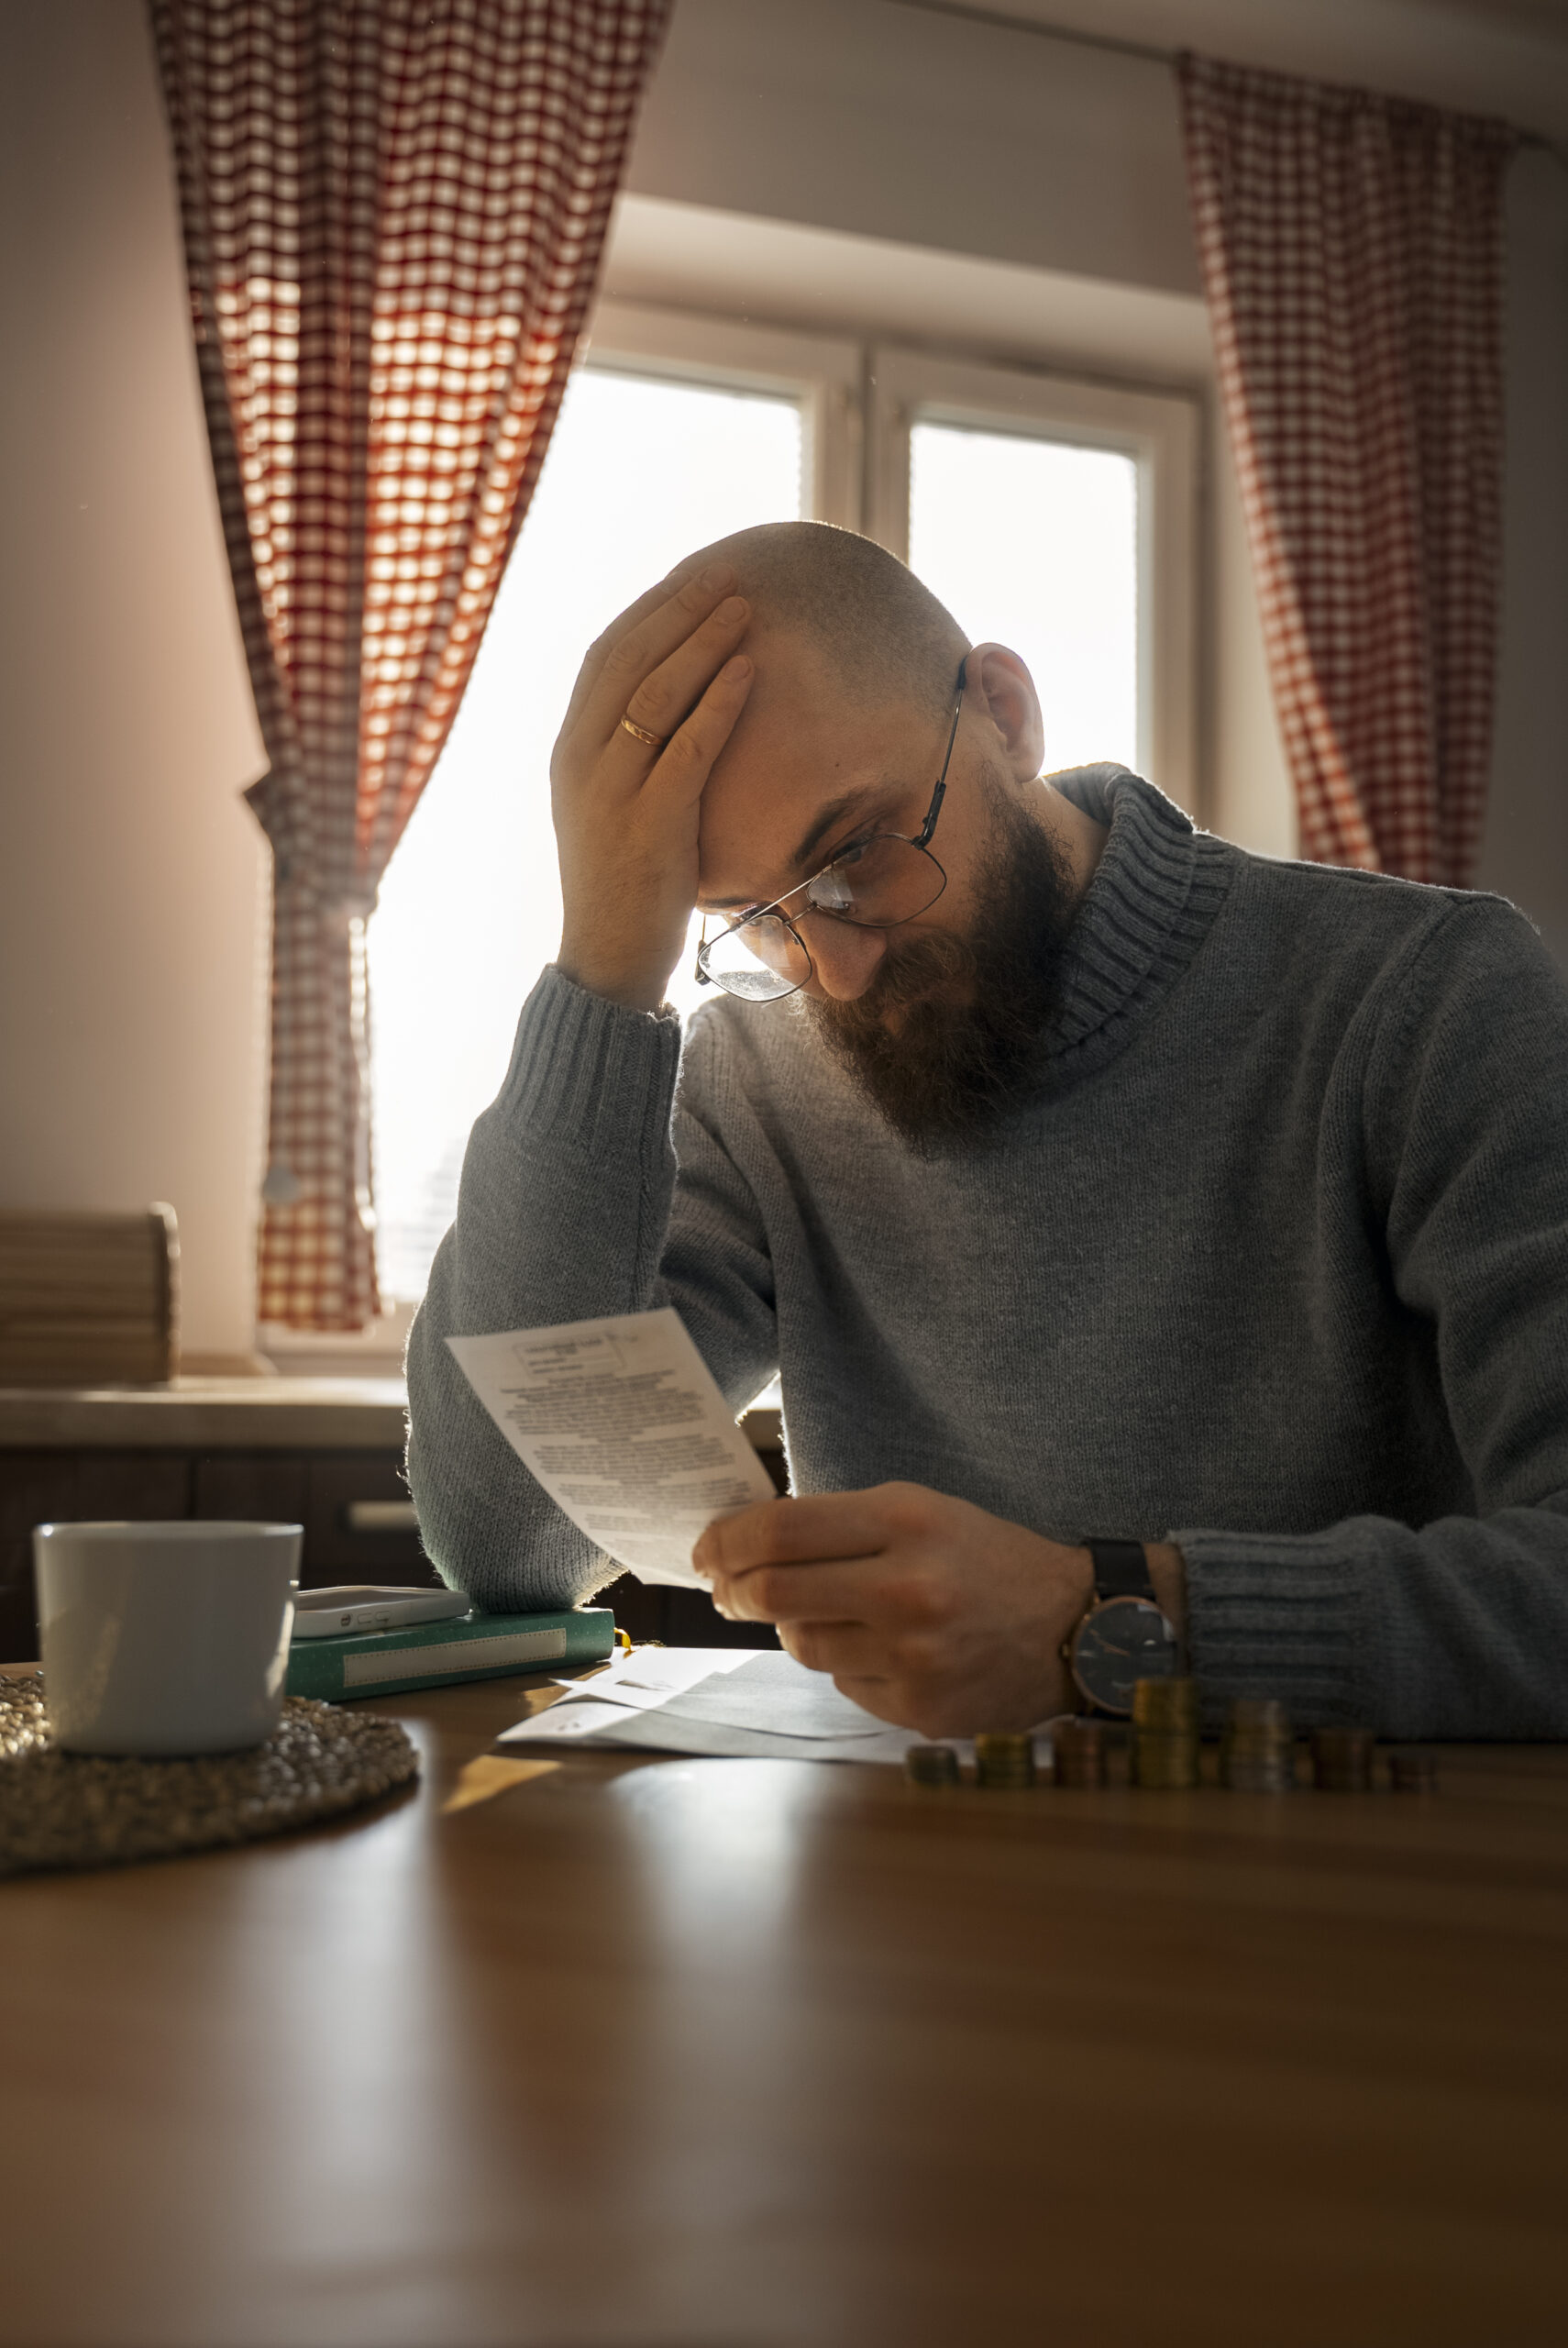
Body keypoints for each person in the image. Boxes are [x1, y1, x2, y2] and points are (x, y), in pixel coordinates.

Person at [404, 521, 1568, 1739]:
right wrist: (602, 978)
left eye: (855, 852)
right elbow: (506, 1547)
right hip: (912, 1872)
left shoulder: (1419, 999)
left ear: (1006, 716)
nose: (836, 972)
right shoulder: (755, 1071)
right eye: (755, 918)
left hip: (1344, 1880)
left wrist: (1104, 1622)